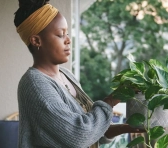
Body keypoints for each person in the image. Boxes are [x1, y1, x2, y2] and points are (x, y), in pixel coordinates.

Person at [14, 0, 144, 147]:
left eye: (67, 33)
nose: (68, 40)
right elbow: (79, 135)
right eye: (60, 34)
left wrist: (123, 128)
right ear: (36, 40)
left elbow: (90, 133)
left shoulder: (67, 75)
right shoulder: (35, 84)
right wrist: (112, 99)